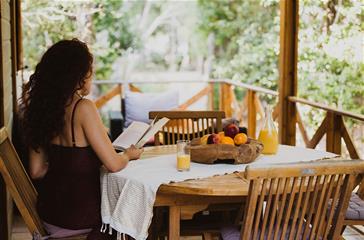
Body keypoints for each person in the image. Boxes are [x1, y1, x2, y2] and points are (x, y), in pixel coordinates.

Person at [20, 38, 143, 239]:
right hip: (81, 219)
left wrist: (67, 164)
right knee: (136, 214)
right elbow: (113, 164)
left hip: (50, 216)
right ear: (77, 75)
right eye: (89, 72)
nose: (91, 77)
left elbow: (36, 171)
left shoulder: (41, 110)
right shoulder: (83, 108)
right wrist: (129, 154)